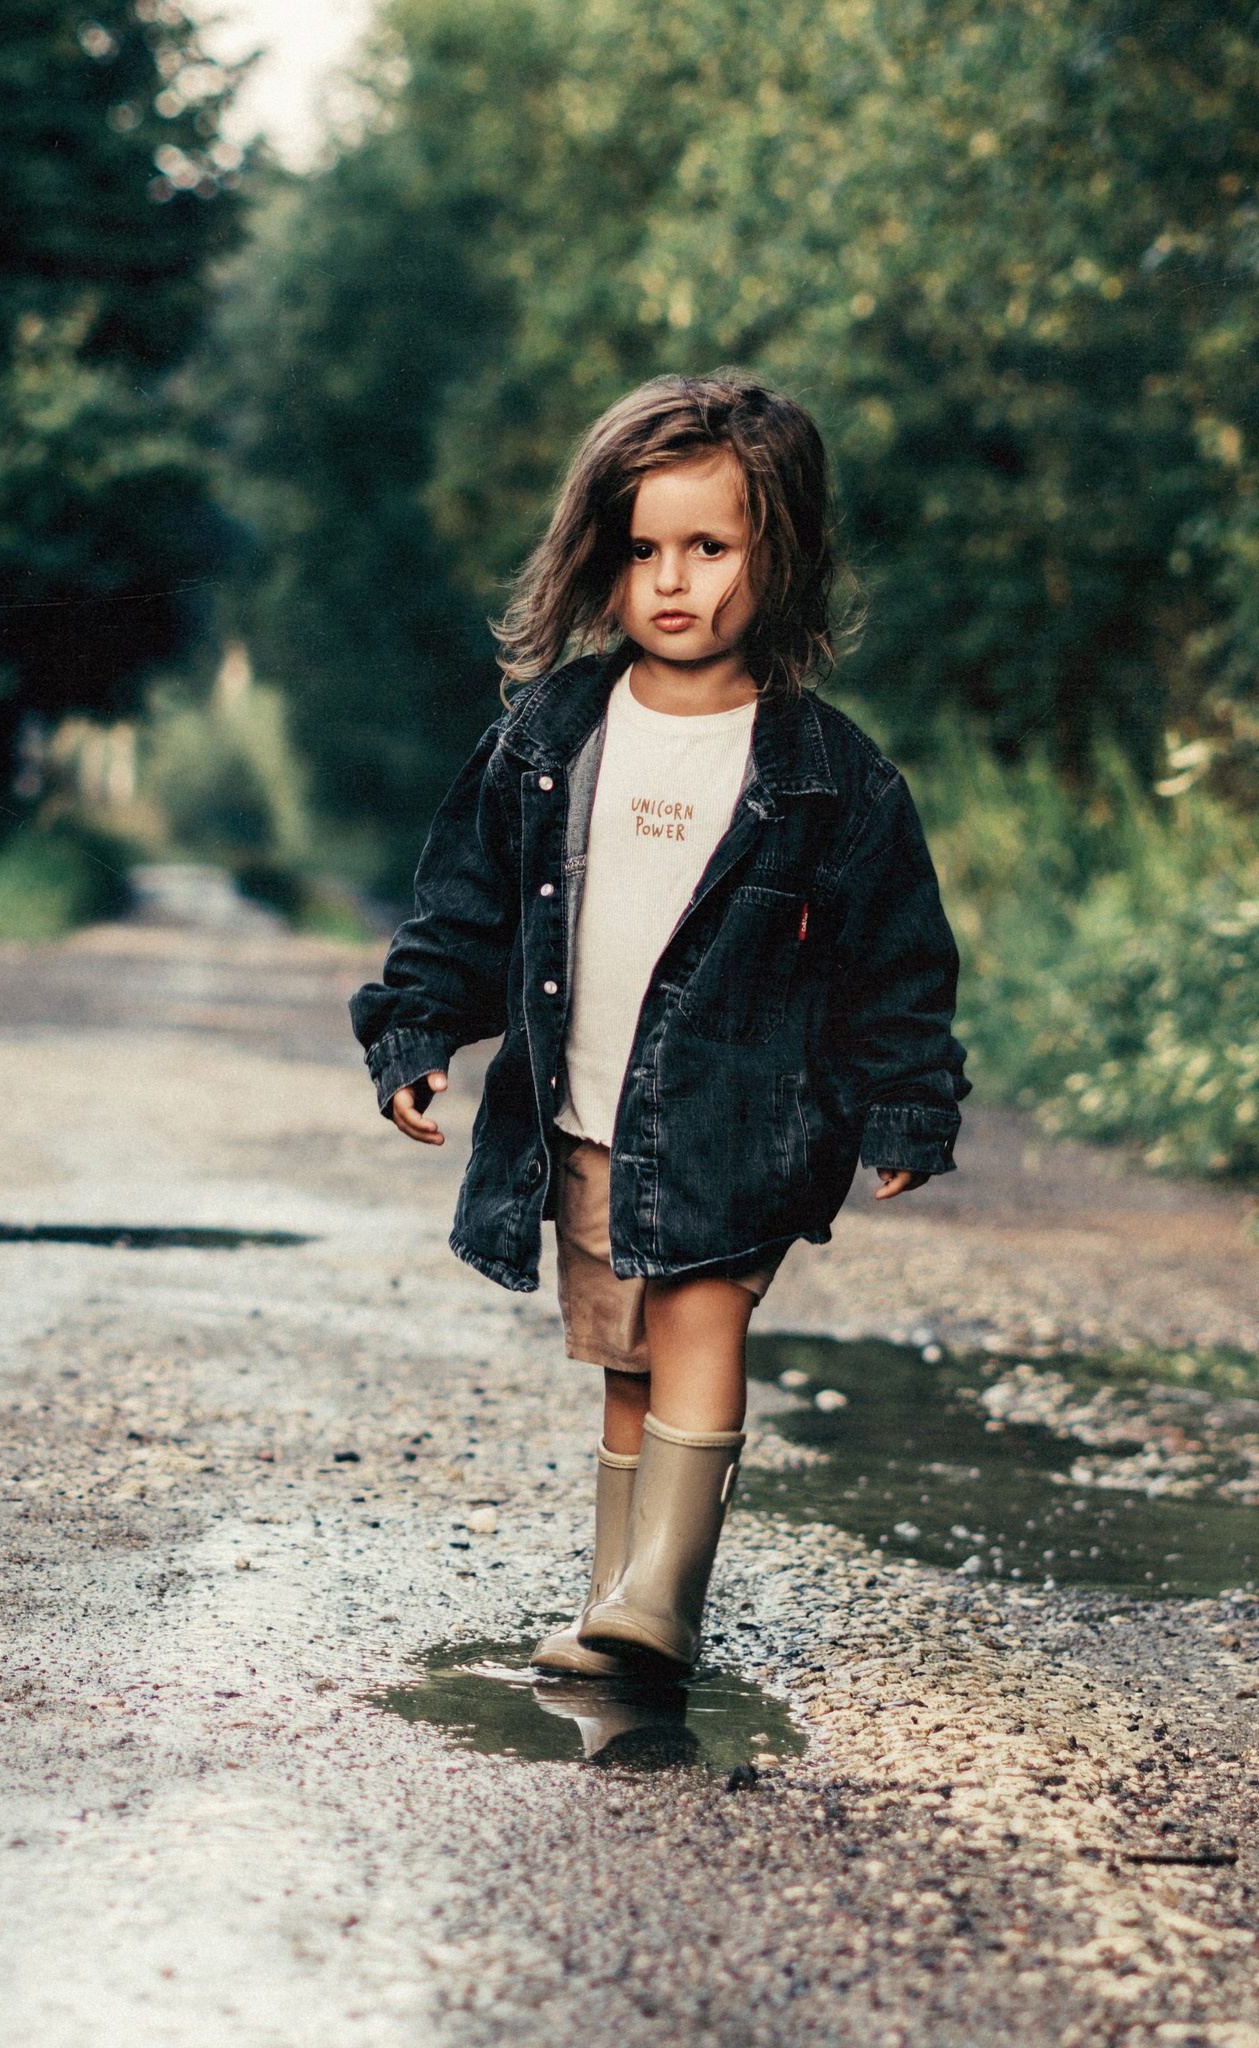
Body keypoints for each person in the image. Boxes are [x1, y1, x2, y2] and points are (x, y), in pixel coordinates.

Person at [350, 371, 966, 1677]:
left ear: (777, 555)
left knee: (697, 1318)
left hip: (745, 1121)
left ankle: (659, 1609)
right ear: (599, 559)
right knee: (627, 1358)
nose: (672, 581)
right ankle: (616, 1596)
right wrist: (415, 1031)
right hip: (583, 1115)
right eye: (642, 551)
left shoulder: (824, 774)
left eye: (709, 547)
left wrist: (908, 1097)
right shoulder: (551, 733)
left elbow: (894, 960)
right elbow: (467, 908)